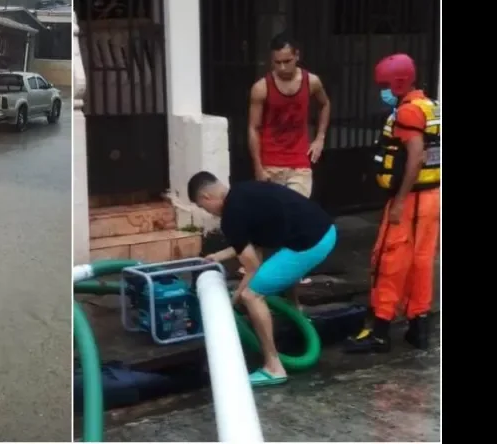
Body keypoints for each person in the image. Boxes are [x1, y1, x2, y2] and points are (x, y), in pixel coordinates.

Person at [188, 171, 337, 386]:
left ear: (206, 197)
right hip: (325, 229)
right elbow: (252, 242)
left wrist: (233, 301)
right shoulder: (243, 191)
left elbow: (252, 267)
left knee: (252, 295)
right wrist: (219, 256)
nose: (208, 212)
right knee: (278, 265)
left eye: (203, 207)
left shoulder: (231, 216)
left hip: (311, 243)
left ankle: (274, 367)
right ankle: (296, 313)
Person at [344, 54, 440, 353]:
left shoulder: (408, 113)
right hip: (430, 198)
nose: (381, 91)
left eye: (384, 85)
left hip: (410, 201)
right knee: (421, 262)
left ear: (398, 83)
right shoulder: (431, 106)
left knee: (389, 261)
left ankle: (380, 331)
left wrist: (398, 202)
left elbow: (415, 157)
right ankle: (418, 327)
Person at [243, 33, 332, 296]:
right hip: (270, 162)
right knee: (264, 219)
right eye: (276, 63)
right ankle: (256, 273)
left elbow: (325, 105)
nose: (282, 67)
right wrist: (258, 167)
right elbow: (252, 128)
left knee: (296, 218)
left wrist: (320, 138)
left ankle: (290, 274)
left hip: (298, 162)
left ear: (297, 57)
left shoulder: (311, 82)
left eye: (287, 61)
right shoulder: (261, 87)